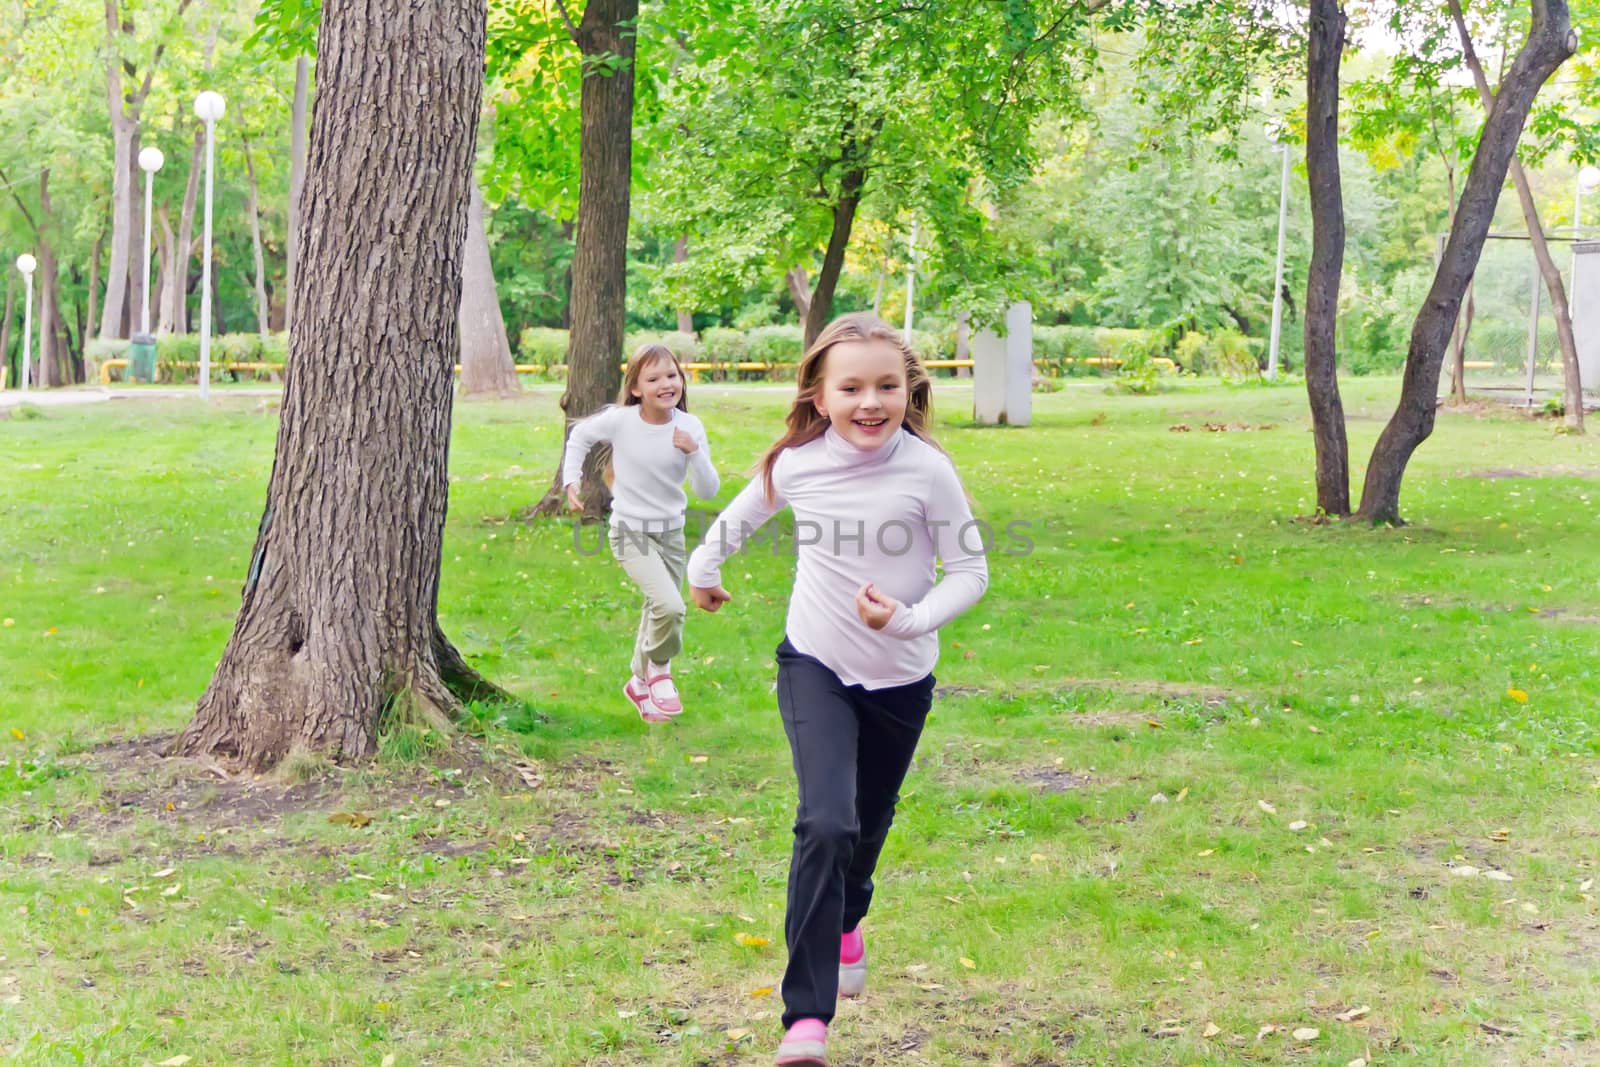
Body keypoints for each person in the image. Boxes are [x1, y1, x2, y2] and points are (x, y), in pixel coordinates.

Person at [686, 313, 988, 1066]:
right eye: (850, 387)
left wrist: (910, 618)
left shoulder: (926, 470)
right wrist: (702, 571)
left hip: (901, 677)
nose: (870, 402)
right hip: (815, 662)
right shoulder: (799, 464)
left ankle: (850, 912)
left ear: (909, 389)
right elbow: (737, 517)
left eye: (887, 385)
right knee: (826, 820)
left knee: (867, 823)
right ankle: (806, 1019)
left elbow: (973, 571)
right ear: (820, 396)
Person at [563, 343, 719, 722]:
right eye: (653, 378)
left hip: (671, 535)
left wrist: (694, 452)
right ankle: (660, 670)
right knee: (670, 606)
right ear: (636, 388)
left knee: (657, 607)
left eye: (671, 376)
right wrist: (570, 481)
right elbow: (580, 435)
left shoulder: (689, 427)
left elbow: (707, 491)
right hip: (630, 532)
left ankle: (637, 680)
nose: (666, 384)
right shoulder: (622, 421)